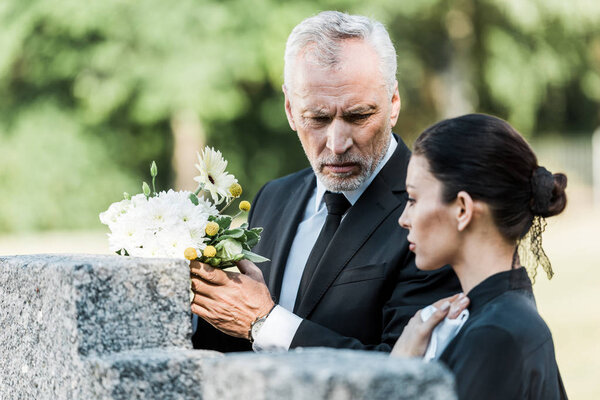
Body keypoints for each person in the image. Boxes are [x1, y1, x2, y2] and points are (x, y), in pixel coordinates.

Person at [189, 11, 462, 352]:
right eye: (317, 118)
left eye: (358, 116)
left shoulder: (437, 210)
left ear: (393, 104)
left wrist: (267, 322)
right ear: (290, 109)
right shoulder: (273, 198)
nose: (337, 143)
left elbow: (407, 370)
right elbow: (234, 338)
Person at [391, 113, 568, 399]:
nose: (404, 218)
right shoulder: (506, 316)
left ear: (462, 209)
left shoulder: (495, 336)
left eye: (413, 199)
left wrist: (398, 371)